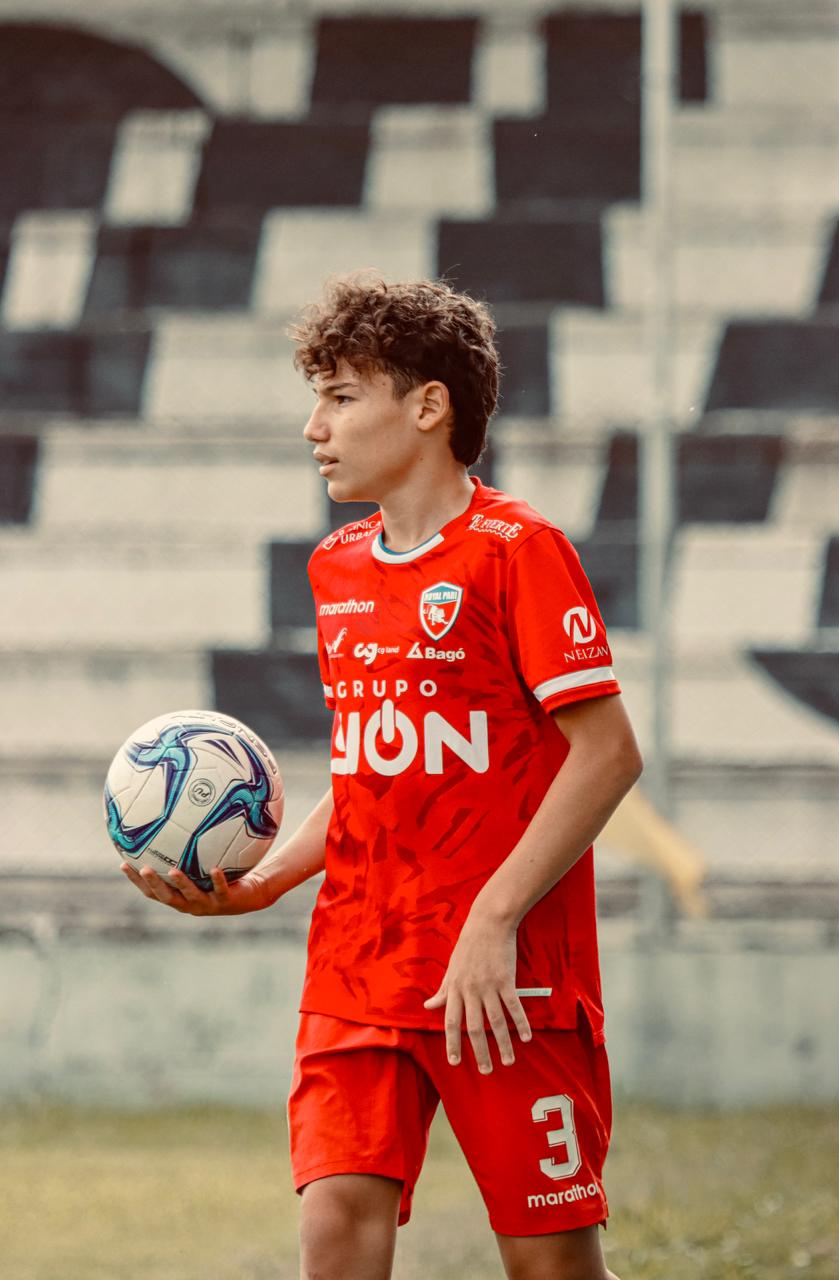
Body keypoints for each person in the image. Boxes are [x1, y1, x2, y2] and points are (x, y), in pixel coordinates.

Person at [121, 275, 642, 1280]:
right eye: (315, 399)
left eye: (341, 396)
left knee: (551, 1268)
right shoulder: (338, 567)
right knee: (336, 1239)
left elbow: (609, 753)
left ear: (429, 405)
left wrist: (491, 920)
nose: (314, 427)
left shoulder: (518, 553)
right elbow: (370, 767)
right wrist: (266, 880)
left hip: (504, 981)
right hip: (357, 969)